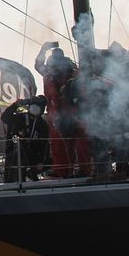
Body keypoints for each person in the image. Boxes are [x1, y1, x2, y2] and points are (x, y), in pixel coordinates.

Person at [39, 46, 91, 178]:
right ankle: (80, 169)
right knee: (76, 141)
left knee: (63, 143)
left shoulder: (51, 72)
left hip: (61, 111)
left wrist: (43, 49)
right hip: (71, 110)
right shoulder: (72, 70)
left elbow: (38, 65)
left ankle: (65, 170)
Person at [1, 95, 50, 183]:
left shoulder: (42, 124)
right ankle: (12, 184)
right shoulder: (19, 117)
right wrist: (15, 105)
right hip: (14, 152)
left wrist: (41, 161)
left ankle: (32, 177)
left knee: (49, 161)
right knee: (13, 174)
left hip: (32, 155)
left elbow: (45, 144)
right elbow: (5, 118)